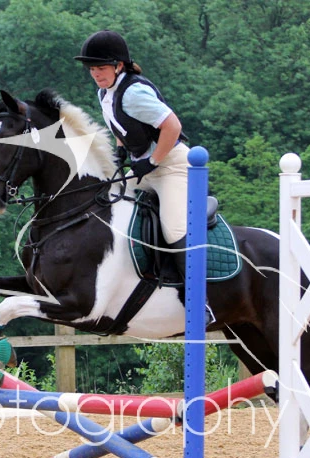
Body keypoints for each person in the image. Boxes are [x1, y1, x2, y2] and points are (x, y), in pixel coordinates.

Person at [75, 29, 214, 324]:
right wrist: (121, 151)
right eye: (91, 68)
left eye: (101, 68)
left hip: (172, 165)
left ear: (118, 66)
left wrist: (152, 160)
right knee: (105, 201)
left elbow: (173, 126)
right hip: (144, 167)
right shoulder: (105, 93)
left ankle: (201, 301)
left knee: (173, 229)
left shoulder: (134, 93)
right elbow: (122, 126)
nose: (96, 74)